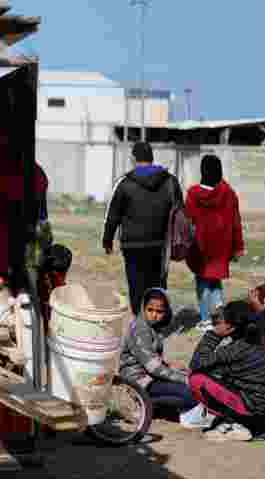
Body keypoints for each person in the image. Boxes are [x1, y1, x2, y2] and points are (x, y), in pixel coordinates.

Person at [102, 141, 183, 315]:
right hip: (160, 244)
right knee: (157, 283)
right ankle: (156, 321)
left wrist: (107, 240)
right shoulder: (170, 181)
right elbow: (181, 213)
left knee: (136, 284)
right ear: (152, 157)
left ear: (134, 158)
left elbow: (113, 214)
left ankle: (140, 320)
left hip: (132, 245)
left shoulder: (124, 183)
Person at [188, 301, 265, 442]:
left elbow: (196, 363)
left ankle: (236, 423)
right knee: (214, 376)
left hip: (254, 411)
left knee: (196, 379)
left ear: (231, 327)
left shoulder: (236, 350)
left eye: (222, 320)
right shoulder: (254, 339)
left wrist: (214, 335)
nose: (218, 322)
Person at [119, 289, 211, 428]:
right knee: (190, 392)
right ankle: (146, 406)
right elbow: (153, 367)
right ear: (143, 308)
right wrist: (183, 379)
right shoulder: (141, 329)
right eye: (150, 310)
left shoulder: (151, 327)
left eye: (159, 311)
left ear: (166, 311)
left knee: (192, 382)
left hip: (149, 377)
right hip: (139, 381)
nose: (154, 315)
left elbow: (152, 359)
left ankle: (154, 405)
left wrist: (171, 366)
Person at [185, 154, 244, 321]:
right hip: (221, 246)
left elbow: (188, 222)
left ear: (202, 171)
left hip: (200, 246)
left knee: (202, 281)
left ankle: (205, 320)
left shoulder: (193, 194)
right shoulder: (229, 194)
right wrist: (238, 247)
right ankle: (219, 312)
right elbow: (236, 223)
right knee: (215, 279)